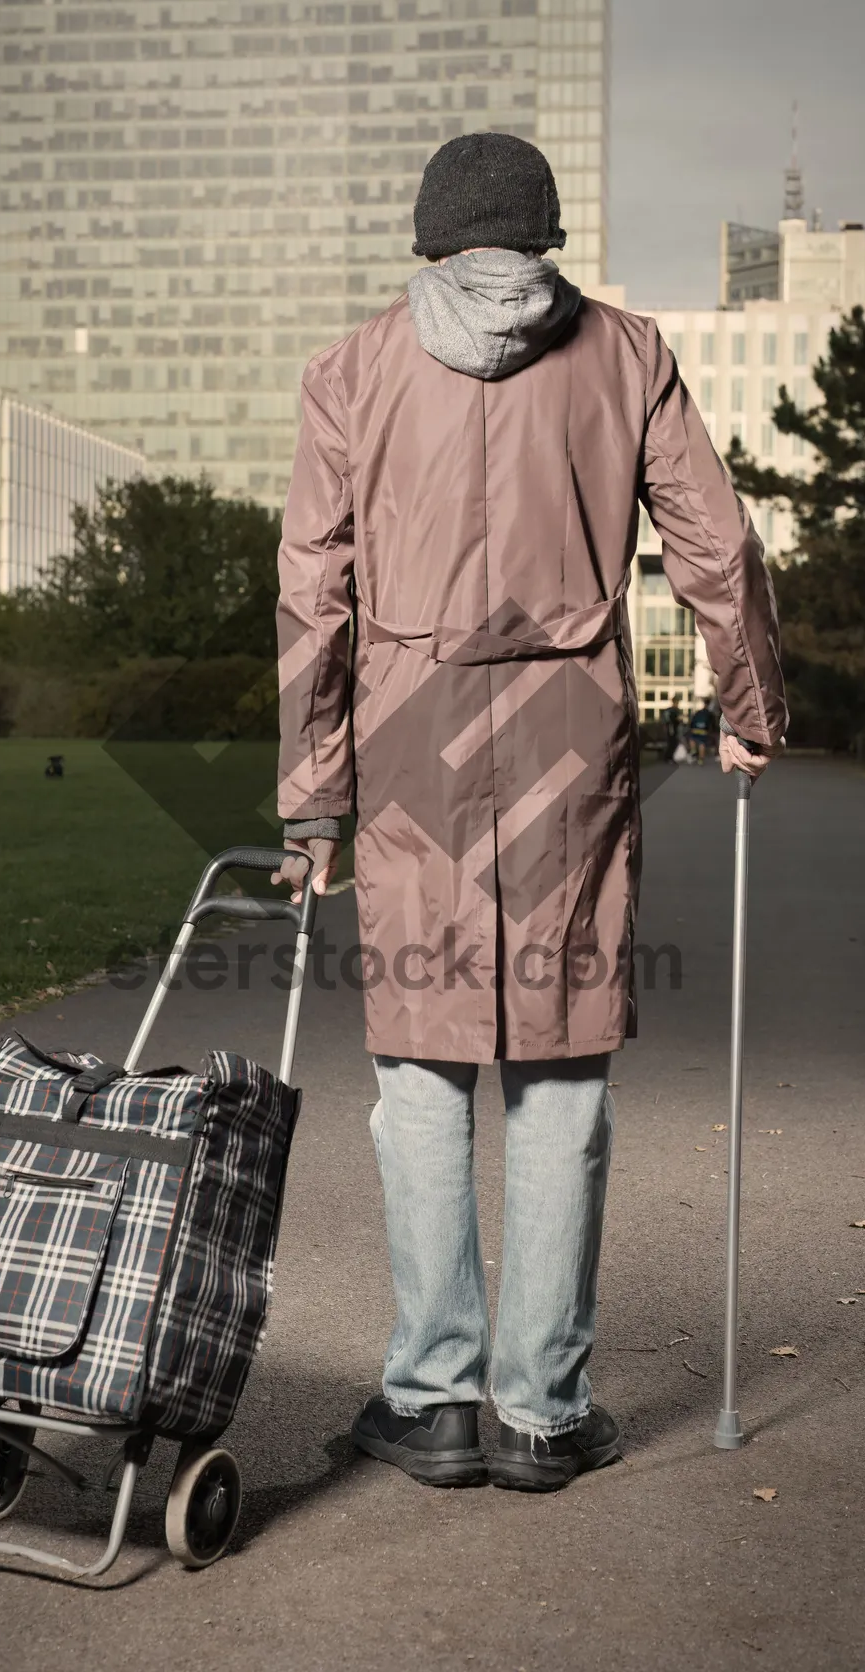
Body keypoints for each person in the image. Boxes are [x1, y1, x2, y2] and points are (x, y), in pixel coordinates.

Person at [272, 133, 787, 1494]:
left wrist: (313, 802)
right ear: (544, 239)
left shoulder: (353, 369)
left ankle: (434, 1399)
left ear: (431, 238)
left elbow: (312, 597)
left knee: (420, 1067)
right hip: (570, 737)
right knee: (558, 1070)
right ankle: (543, 1412)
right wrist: (748, 708)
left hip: (412, 733)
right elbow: (714, 546)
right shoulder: (625, 353)